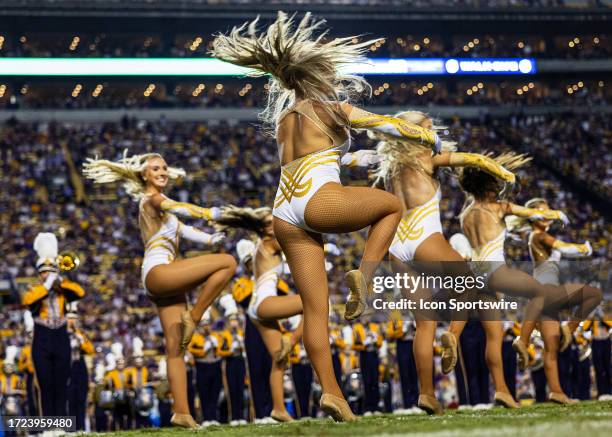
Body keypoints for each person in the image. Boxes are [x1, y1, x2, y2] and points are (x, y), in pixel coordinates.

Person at [212, 12, 440, 421]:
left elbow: (315, 159)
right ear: (316, 74)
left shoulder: (285, 119)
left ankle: (333, 395)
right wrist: (424, 135)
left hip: (284, 211)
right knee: (390, 206)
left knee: (316, 310)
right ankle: (365, 277)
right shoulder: (334, 108)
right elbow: (387, 125)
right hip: (319, 201)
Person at [374, 111, 519, 412]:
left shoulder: (390, 167)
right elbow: (474, 160)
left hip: (397, 248)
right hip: (424, 237)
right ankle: (452, 337)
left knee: (423, 324)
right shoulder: (427, 158)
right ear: (417, 131)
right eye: (427, 125)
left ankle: (426, 394)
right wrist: (503, 173)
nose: (433, 129)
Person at [83, 152, 236, 428]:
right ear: (144, 175)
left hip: (161, 279)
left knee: (176, 348)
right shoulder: (154, 200)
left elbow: (188, 230)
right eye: (156, 168)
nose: (163, 171)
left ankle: (182, 412)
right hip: (159, 273)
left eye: (165, 167)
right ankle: (196, 317)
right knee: (228, 263)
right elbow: (181, 209)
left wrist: (214, 237)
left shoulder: (165, 211)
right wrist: (209, 213)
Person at [440, 154, 577, 385]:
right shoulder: (499, 207)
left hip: (475, 275)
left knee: (494, 335)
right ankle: (522, 341)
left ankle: (456, 339)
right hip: (495, 271)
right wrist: (556, 215)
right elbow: (532, 213)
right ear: (489, 184)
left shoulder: (465, 215)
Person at [216, 206, 304, 422]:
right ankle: (291, 341)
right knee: (319, 302)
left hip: (263, 309)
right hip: (259, 313)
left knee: (277, 361)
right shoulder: (267, 246)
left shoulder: (260, 249)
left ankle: (278, 409)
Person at [519, 197, 601, 404]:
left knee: (551, 348)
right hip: (548, 291)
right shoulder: (540, 235)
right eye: (542, 212)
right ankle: (569, 328)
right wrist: (585, 249)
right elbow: (565, 248)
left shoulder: (536, 235)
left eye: (549, 211)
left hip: (543, 296)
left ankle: (556, 391)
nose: (548, 216)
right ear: (533, 216)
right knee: (593, 294)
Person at [22, 232, 85, 418]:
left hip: (61, 337)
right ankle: (47, 426)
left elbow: (79, 292)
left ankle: (61, 425)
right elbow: (29, 300)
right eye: (44, 272)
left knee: (61, 383)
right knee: (45, 384)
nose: (48, 274)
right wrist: (48, 284)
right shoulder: (34, 289)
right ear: (39, 273)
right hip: (42, 337)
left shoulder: (63, 289)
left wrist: (60, 282)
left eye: (51, 271)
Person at [66, 307, 95, 431]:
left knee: (81, 398)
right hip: (67, 368)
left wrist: (79, 336)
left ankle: (81, 428)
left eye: (74, 318)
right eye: (70, 318)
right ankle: (71, 428)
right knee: (69, 399)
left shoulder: (81, 334)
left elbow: (90, 350)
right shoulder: (60, 335)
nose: (72, 321)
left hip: (80, 366)